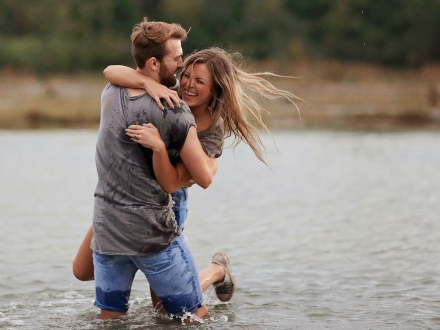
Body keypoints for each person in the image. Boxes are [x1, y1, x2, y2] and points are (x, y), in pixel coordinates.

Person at [75, 46, 302, 318]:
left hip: (166, 203)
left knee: (168, 311)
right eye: (187, 76)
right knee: (82, 270)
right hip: (124, 195)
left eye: (199, 81)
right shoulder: (170, 91)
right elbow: (112, 71)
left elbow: (180, 181)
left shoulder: (211, 130)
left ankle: (217, 271)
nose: (188, 85)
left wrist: (196, 161)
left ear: (215, 88)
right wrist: (148, 82)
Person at [87, 18, 218, 321]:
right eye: (176, 58)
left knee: (111, 319)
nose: (182, 64)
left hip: (107, 233)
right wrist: (211, 160)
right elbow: (203, 178)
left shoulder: (109, 91)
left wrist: (146, 81)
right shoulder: (174, 109)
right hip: (152, 235)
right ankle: (216, 272)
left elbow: (113, 71)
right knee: (193, 318)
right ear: (155, 63)